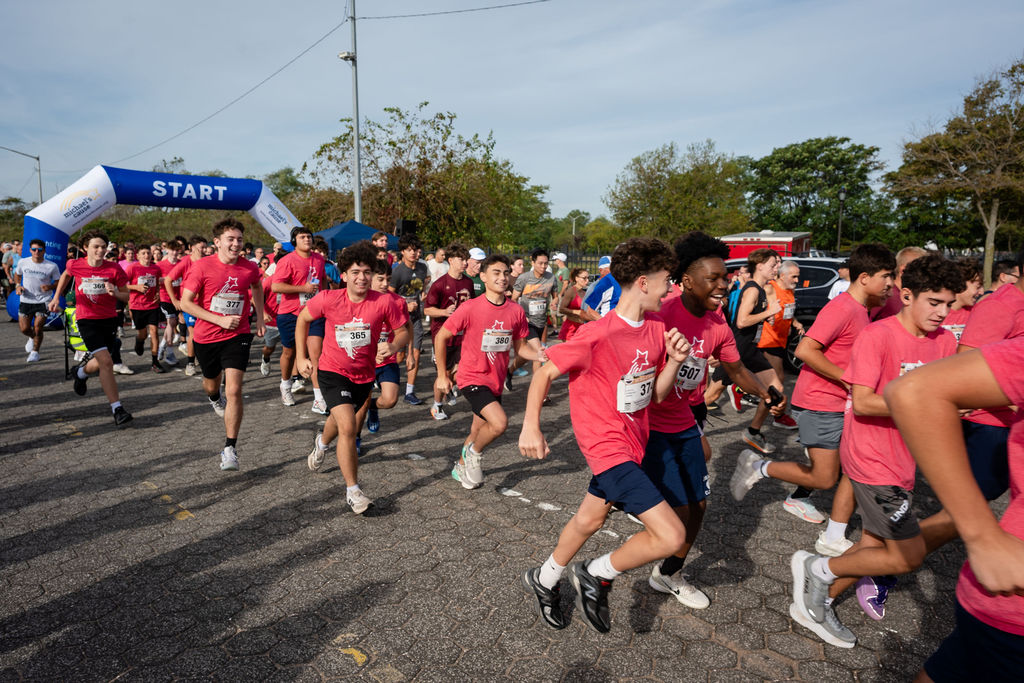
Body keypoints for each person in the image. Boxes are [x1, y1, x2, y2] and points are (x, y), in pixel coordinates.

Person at [789, 254, 963, 648]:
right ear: (907, 295)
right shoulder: (877, 335)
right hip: (870, 456)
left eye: (948, 304)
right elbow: (865, 402)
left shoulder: (945, 341)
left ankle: (815, 604)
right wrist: (929, 405)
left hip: (904, 458)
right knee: (907, 556)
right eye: (934, 302)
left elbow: (941, 396)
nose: (942, 312)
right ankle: (818, 568)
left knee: (873, 544)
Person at [518, 237, 692, 633]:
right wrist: (531, 425)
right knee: (671, 536)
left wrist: (675, 361)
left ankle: (544, 578)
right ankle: (596, 573)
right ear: (644, 283)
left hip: (635, 445)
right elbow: (545, 372)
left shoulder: (657, 328)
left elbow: (656, 395)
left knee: (589, 519)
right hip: (607, 448)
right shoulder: (596, 334)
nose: (670, 290)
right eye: (667, 281)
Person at [646, 232, 784, 610]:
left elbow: (735, 369)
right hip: (644, 420)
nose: (724, 284)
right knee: (619, 499)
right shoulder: (659, 313)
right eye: (714, 278)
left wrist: (765, 393)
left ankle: (669, 572)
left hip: (687, 416)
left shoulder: (717, 323)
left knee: (697, 505)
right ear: (687, 281)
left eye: (725, 277)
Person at [730, 243, 895, 534]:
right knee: (825, 477)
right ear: (864, 278)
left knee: (846, 468)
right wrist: (849, 379)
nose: (891, 283)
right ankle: (758, 466)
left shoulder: (862, 309)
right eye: (886, 276)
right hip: (821, 402)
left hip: (841, 402)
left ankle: (823, 521)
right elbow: (805, 350)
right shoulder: (843, 307)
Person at [886, 338, 1024, 683]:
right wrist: (983, 537)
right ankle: (848, 567)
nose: (941, 314)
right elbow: (914, 392)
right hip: (1011, 606)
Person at [300, 241, 408, 515]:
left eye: (367, 272)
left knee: (337, 422)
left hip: (364, 375)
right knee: (349, 427)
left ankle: (321, 444)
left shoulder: (384, 302)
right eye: (356, 272)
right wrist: (302, 357)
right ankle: (354, 491)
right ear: (344, 275)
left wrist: (394, 345)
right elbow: (303, 319)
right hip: (332, 372)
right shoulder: (328, 298)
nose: (362, 278)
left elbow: (403, 332)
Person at [434, 254, 546, 489]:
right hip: (472, 377)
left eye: (505, 273)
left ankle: (460, 466)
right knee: (499, 423)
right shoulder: (470, 307)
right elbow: (441, 337)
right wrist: (442, 375)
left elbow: (520, 348)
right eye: (496, 273)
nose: (502, 277)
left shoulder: (516, 311)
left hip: (495, 380)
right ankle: (474, 454)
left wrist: (540, 355)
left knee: (478, 429)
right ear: (483, 276)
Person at [179, 218, 265, 471]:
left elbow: (257, 286)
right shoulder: (201, 267)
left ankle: (230, 448)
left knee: (235, 390)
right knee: (211, 383)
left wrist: (260, 317)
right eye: (231, 239)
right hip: (206, 337)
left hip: (238, 334)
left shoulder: (249, 267)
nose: (236, 244)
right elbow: (186, 303)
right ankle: (214, 397)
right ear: (217, 242)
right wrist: (219, 319)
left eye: (239, 239)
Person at [48, 230, 133, 426]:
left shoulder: (114, 269)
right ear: (85, 248)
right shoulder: (75, 264)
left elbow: (126, 296)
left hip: (109, 320)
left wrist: (115, 293)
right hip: (86, 319)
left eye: (103, 247)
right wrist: (56, 297)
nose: (100, 250)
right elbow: (66, 275)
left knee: (102, 361)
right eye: (96, 247)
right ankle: (117, 409)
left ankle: (80, 373)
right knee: (107, 362)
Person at [730, 248, 785, 454]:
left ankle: (753, 431)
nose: (776, 268)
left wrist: (765, 317)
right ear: (759, 266)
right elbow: (742, 321)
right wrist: (768, 312)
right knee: (710, 395)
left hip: (750, 350)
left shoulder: (761, 289)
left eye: (777, 265)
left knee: (776, 388)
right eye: (773, 265)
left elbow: (751, 319)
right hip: (736, 351)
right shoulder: (753, 289)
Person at [271, 227, 328, 413]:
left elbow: (323, 281)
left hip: (314, 313)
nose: (307, 239)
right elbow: (276, 286)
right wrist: (303, 289)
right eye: (302, 237)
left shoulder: (319, 259)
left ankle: (319, 399)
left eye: (309, 236)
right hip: (290, 314)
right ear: (294, 241)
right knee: (289, 352)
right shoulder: (287, 260)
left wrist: (325, 298)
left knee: (316, 354)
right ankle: (285, 385)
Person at [360, 259, 412, 437]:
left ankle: (372, 407)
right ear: (369, 278)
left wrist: (408, 352)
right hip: (363, 362)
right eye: (380, 279)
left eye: (388, 280)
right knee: (360, 405)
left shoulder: (397, 302)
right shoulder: (360, 299)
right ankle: (356, 439)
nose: (385, 284)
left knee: (390, 400)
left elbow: (407, 327)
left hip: (387, 359)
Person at [422, 243, 473, 420]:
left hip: (463, 337)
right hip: (442, 337)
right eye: (461, 259)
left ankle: (450, 387)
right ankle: (437, 405)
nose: (465, 263)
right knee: (443, 373)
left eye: (466, 259)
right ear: (450, 260)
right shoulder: (439, 284)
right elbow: (427, 310)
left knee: (463, 370)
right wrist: (444, 312)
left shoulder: (468, 282)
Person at [757, 260, 805, 429]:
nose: (797, 280)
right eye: (794, 276)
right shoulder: (770, 288)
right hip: (768, 340)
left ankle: (741, 389)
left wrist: (795, 323)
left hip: (781, 340)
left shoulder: (790, 290)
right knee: (778, 380)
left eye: (798, 277)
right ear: (782, 275)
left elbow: (787, 312)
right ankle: (779, 416)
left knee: (770, 380)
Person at [390, 235, 431, 405]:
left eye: (415, 250)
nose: (413, 253)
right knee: (399, 355)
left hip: (415, 318)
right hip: (398, 319)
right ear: (402, 252)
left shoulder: (422, 268)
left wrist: (423, 294)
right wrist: (404, 306)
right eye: (409, 250)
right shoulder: (397, 272)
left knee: (415, 353)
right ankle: (383, 375)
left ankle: (410, 392)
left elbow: (423, 283)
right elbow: (389, 296)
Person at [165, 235, 209, 376]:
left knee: (205, 334)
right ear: (191, 247)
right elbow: (168, 280)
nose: (204, 250)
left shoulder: (208, 262)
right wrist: (175, 301)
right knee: (194, 334)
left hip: (205, 304)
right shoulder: (185, 262)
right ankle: (190, 363)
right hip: (190, 304)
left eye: (205, 247)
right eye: (201, 248)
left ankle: (201, 357)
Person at [511, 248, 558, 376]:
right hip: (527, 322)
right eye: (540, 263)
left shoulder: (551, 278)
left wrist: (554, 302)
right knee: (540, 352)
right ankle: (538, 387)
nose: (543, 266)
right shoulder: (524, 278)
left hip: (541, 322)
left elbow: (555, 296)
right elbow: (513, 300)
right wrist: (521, 316)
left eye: (546, 263)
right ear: (533, 262)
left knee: (529, 356)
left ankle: (509, 371)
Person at [14, 239, 60, 362]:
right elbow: (17, 274)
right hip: (26, 299)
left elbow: (58, 282)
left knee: (38, 327)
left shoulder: (51, 266)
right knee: (24, 329)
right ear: (30, 250)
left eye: (39, 250)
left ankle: (35, 352)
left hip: (43, 300)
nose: (36, 252)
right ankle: (32, 337)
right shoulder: (23, 262)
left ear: (44, 251)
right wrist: (18, 285)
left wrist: (50, 286)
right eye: (34, 249)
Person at [124, 246, 166, 373]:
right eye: (143, 253)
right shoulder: (132, 268)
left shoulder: (156, 268)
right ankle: (139, 340)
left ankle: (155, 362)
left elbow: (157, 284)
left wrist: (158, 294)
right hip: (137, 305)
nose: (146, 255)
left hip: (152, 305)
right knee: (143, 333)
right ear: (138, 256)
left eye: (148, 253)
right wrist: (136, 287)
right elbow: (122, 285)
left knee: (154, 332)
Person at [940, 258, 983, 343]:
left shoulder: (976, 313)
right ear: (962, 282)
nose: (982, 292)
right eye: (978, 287)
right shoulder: (937, 312)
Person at [156, 239, 183, 366]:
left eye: (177, 250)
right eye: (172, 250)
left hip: (179, 298)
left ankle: (163, 345)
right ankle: (169, 352)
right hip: (165, 297)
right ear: (167, 250)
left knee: (172, 324)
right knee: (171, 322)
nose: (174, 253)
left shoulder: (182, 263)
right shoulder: (160, 265)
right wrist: (167, 279)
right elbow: (155, 280)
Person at [558, 268, 590, 342]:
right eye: (584, 278)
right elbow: (561, 309)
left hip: (582, 327)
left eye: (588, 278)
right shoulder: (571, 291)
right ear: (576, 278)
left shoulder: (584, 293)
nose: (587, 281)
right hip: (571, 328)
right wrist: (577, 312)